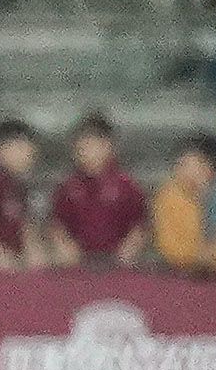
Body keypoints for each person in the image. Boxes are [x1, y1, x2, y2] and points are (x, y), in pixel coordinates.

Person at [48, 112, 148, 268]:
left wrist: (128, 252)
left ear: (109, 146)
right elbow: (57, 225)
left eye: (94, 146)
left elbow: (139, 225)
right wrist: (65, 248)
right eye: (83, 148)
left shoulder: (127, 186)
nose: (88, 153)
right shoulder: (67, 187)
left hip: (117, 263)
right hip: (78, 264)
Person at [152, 134, 216, 277]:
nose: (179, 169)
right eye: (179, 164)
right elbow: (167, 242)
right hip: (180, 274)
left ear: (208, 166)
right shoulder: (167, 196)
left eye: (187, 164)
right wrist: (195, 256)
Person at [0, 119, 49, 272]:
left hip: (12, 259)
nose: (30, 153)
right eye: (21, 147)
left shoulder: (18, 185)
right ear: (1, 150)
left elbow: (26, 229)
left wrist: (35, 254)